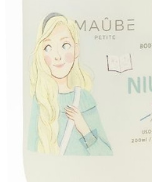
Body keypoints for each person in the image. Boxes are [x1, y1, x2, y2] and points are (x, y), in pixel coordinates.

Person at [28, 13, 113, 156]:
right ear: (41, 55)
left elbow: (106, 154)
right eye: (48, 47)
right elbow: (31, 150)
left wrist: (84, 128)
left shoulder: (84, 99)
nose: (57, 56)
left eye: (65, 45)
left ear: (76, 50)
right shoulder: (40, 100)